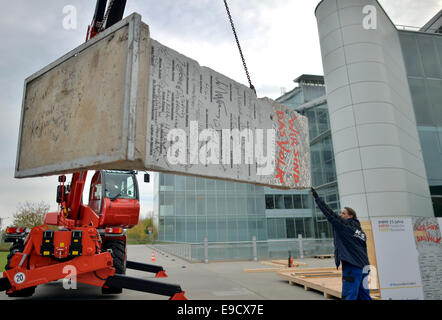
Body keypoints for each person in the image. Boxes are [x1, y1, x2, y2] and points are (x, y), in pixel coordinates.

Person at [310, 187, 372, 300]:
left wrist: (317, 198)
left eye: (343, 213)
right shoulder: (360, 231)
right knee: (364, 296)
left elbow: (330, 214)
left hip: (353, 267)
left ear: (350, 216)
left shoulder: (344, 227)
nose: (340, 215)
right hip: (364, 267)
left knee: (349, 295)